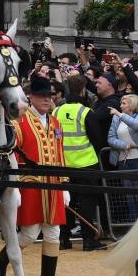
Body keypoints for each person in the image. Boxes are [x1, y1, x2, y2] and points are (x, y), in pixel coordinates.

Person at [0, 76, 70, 276]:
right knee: (29, 234)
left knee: (53, 233)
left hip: (53, 187)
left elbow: (60, 155)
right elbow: (10, 155)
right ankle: (1, 261)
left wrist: (64, 186)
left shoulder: (56, 123)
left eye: (50, 96)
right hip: (30, 185)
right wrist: (13, 185)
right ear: (31, 97)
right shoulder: (20, 123)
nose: (47, 100)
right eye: (42, 96)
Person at [53, 75, 106, 252]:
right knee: (87, 204)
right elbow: (97, 139)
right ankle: (88, 240)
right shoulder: (85, 112)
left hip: (63, 165)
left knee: (67, 203)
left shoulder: (56, 112)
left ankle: (64, 238)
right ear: (83, 90)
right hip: (86, 164)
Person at [107, 94, 138, 222]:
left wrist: (120, 115)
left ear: (132, 105)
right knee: (129, 196)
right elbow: (110, 138)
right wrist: (125, 145)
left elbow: (137, 126)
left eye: (124, 103)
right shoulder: (116, 119)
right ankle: (132, 224)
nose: (120, 106)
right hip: (123, 161)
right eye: (121, 103)